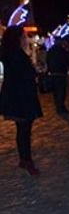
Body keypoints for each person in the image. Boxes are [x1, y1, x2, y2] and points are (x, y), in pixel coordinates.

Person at [0, 25, 43, 175]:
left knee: (22, 130)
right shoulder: (17, 55)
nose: (26, 39)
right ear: (18, 39)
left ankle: (24, 159)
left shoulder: (10, 54)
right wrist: (35, 71)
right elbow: (24, 75)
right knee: (25, 130)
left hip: (16, 97)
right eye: (24, 37)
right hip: (22, 98)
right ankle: (27, 160)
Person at [46, 37, 69, 114]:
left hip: (54, 73)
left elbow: (48, 60)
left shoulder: (51, 50)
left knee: (56, 92)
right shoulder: (62, 50)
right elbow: (66, 61)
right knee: (61, 92)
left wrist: (49, 69)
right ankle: (61, 107)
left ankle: (59, 107)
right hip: (61, 73)